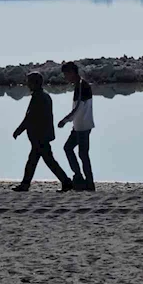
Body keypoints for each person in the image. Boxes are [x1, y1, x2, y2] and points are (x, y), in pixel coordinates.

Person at [12, 72, 73, 192]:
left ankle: (66, 182)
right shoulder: (44, 96)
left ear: (35, 83)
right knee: (38, 160)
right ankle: (26, 184)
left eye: (29, 82)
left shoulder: (38, 97)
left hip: (39, 136)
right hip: (42, 136)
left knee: (43, 161)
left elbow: (30, 117)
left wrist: (19, 130)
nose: (27, 84)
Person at [58, 62, 95, 191]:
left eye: (66, 74)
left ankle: (86, 182)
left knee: (82, 154)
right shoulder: (80, 85)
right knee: (70, 149)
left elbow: (78, 107)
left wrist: (65, 120)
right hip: (80, 125)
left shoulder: (80, 86)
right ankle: (81, 179)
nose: (66, 77)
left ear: (72, 72)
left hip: (82, 126)